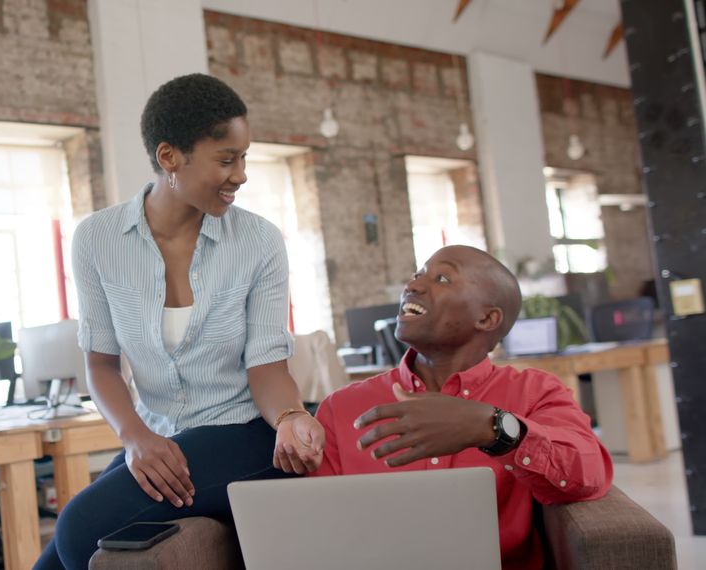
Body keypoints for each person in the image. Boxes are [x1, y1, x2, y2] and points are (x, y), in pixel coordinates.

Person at [33, 73, 325, 569]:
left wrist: (292, 417)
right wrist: (134, 436)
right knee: (54, 561)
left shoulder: (258, 242)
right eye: (226, 159)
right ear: (170, 157)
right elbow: (102, 366)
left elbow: (267, 369)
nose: (241, 174)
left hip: (245, 432)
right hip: (159, 435)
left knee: (77, 529)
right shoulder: (98, 240)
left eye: (244, 157)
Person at [310, 245, 612, 570]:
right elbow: (317, 526)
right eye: (417, 274)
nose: (413, 286)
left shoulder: (534, 392)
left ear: (486, 317)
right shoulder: (341, 407)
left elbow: (589, 475)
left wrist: (494, 429)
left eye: (442, 278)